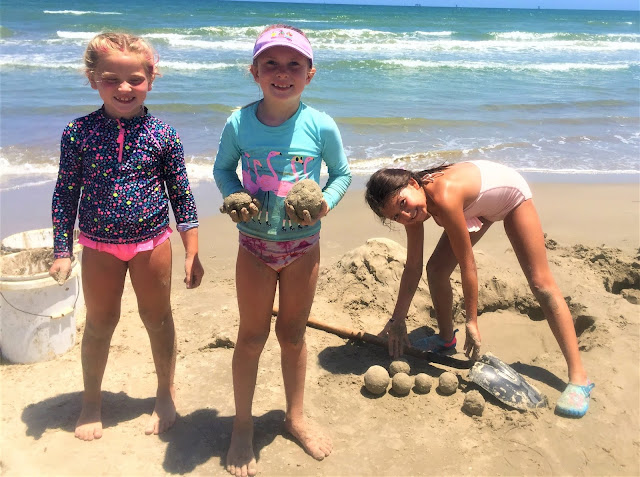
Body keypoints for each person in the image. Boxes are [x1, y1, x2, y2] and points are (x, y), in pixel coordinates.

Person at [49, 32, 204, 441]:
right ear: (92, 80)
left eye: (135, 79)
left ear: (151, 79)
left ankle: (165, 392)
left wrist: (191, 251)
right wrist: (62, 250)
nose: (124, 88)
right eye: (110, 79)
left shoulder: (163, 135)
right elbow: (65, 194)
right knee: (100, 323)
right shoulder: (78, 133)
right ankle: (91, 402)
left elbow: (182, 196)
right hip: (98, 245)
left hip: (152, 243)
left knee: (158, 318)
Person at [214, 24, 351, 476]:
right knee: (251, 337)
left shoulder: (320, 124)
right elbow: (222, 170)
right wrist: (235, 195)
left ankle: (295, 416)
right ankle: (242, 425)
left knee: (293, 336)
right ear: (254, 72)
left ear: (310, 74)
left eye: (294, 64)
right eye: (270, 63)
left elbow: (342, 174)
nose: (282, 72)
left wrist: (324, 204)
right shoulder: (239, 123)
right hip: (254, 247)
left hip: (303, 249)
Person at [365, 160, 594, 418]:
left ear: (413, 184)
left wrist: (472, 321)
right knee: (436, 269)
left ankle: (579, 378)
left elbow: (468, 264)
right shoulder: (415, 209)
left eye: (403, 204)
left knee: (541, 284)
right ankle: (445, 338)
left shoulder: (445, 195)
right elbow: (413, 267)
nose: (406, 215)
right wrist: (397, 319)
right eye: (396, 216)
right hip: (479, 206)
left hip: (510, 196)